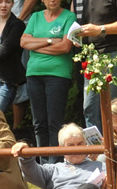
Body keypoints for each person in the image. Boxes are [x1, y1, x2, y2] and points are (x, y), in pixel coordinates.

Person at [20, 0, 74, 162]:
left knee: (54, 122)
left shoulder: (69, 16)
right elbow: (23, 42)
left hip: (58, 74)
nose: (52, 0)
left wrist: (35, 44)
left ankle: (54, 164)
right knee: (39, 122)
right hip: (34, 73)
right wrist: (50, 40)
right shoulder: (35, 17)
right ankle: (43, 165)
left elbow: (65, 47)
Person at [74, 0, 117, 132]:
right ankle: (96, 149)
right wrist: (78, 37)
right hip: (92, 57)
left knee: (113, 107)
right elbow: (86, 28)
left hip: (114, 53)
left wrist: (100, 29)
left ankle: (114, 147)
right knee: (90, 107)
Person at [0, 0, 25, 114]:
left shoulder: (17, 25)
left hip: (6, 81)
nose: (3, 5)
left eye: (7, 2)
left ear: (12, 4)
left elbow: (5, 51)